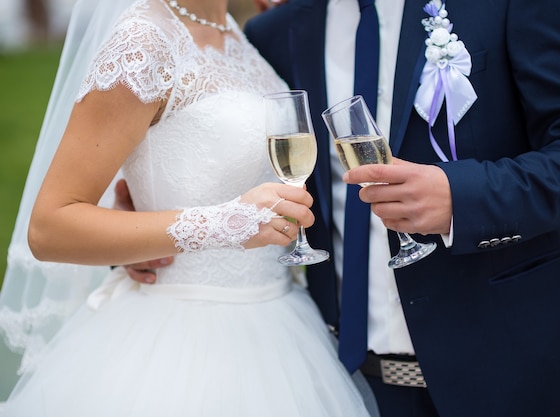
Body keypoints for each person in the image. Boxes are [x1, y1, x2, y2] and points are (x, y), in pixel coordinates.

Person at [120, 0, 560, 415]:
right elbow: (224, 150)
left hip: (514, 372)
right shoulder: (276, 32)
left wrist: (461, 197)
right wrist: (143, 224)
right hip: (346, 387)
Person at [0, 0, 378, 415]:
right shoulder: (142, 42)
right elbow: (50, 227)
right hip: (178, 339)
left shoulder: (241, 33)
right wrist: (224, 225)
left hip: (279, 324)